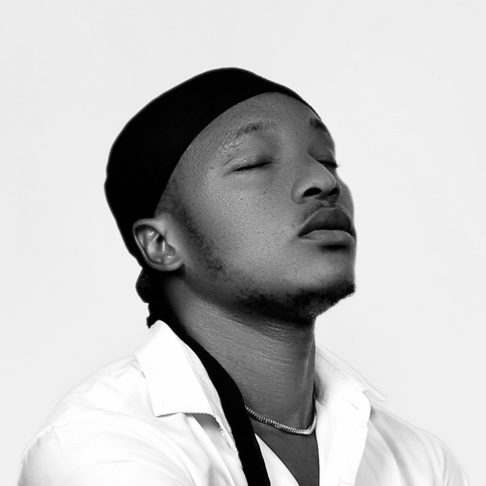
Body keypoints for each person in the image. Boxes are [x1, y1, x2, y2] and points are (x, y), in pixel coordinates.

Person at [18, 68, 468, 485]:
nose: (322, 180)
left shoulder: (419, 460)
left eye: (327, 160)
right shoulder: (97, 446)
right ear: (161, 244)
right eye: (254, 163)